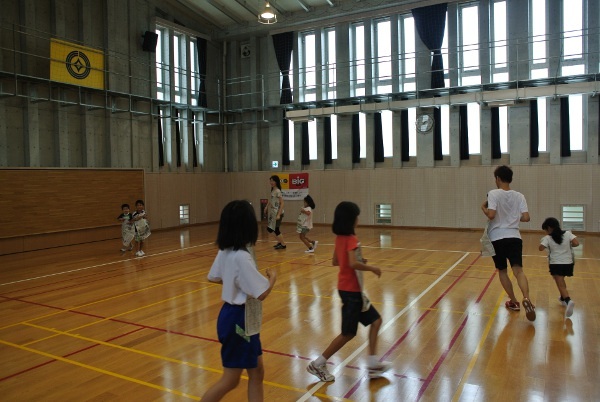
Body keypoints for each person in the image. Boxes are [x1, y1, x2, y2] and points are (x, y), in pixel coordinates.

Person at [201, 200, 277, 402]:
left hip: (232, 317)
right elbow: (261, 293)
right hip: (239, 323)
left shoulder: (225, 251)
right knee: (231, 380)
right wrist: (272, 278)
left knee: (257, 371)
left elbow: (214, 277)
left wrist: (234, 285)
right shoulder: (242, 257)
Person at [306, 201, 391, 382]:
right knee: (348, 333)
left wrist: (359, 259)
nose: (358, 219)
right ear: (351, 220)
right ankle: (318, 363)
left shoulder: (340, 239)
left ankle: (373, 365)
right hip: (351, 292)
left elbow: (336, 261)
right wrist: (372, 268)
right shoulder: (352, 239)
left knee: (376, 321)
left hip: (351, 291)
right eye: (357, 216)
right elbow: (351, 263)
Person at [481, 165, 536, 321]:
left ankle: (514, 301)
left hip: (497, 237)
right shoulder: (519, 196)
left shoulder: (493, 193)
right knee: (518, 270)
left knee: (503, 271)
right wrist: (512, 217)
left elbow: (491, 215)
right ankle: (527, 298)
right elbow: (526, 217)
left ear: (497, 178)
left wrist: (483, 209)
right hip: (514, 237)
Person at [539, 217, 579, 318]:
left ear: (548, 228)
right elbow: (576, 243)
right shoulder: (568, 233)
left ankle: (568, 300)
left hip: (556, 263)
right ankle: (562, 298)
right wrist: (567, 246)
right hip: (569, 263)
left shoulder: (547, 238)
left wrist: (546, 241)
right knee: (561, 281)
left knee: (560, 284)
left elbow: (540, 248)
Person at [263, 175, 286, 250]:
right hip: (273, 212)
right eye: (270, 181)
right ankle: (279, 242)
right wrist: (266, 206)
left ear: (276, 181)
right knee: (271, 229)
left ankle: (283, 245)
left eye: (273, 181)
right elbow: (271, 200)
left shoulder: (278, 191)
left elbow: (282, 203)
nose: (271, 182)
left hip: (277, 212)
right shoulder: (273, 190)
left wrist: (279, 214)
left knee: (275, 229)